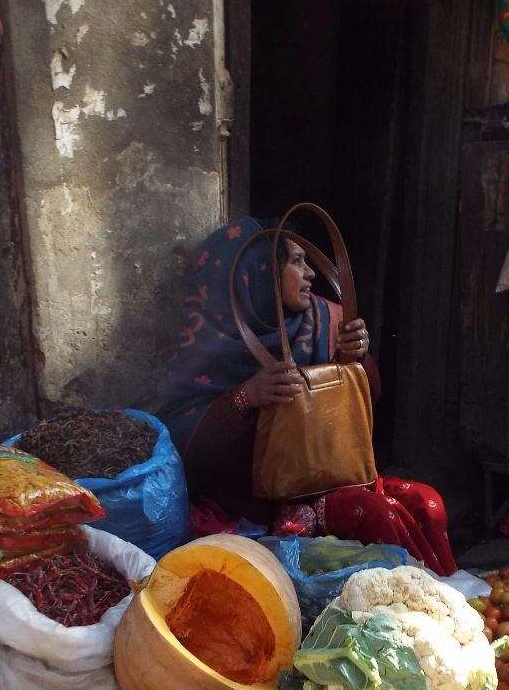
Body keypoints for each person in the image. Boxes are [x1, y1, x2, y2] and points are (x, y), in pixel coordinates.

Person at [158, 217, 458, 576]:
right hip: (261, 500)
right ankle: (416, 602)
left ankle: (445, 591)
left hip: (332, 474)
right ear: (260, 273)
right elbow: (180, 442)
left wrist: (356, 357)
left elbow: (367, 398)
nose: (310, 273)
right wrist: (245, 397)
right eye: (296, 261)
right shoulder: (209, 339)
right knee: (376, 514)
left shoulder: (325, 318)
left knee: (427, 502)